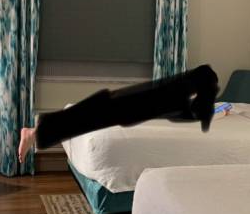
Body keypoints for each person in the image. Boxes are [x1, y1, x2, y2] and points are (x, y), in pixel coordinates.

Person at [19, 64, 219, 163]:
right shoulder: (190, 92)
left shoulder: (187, 96)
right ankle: (37, 131)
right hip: (146, 103)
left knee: (103, 108)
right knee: (105, 108)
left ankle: (38, 131)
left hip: (147, 104)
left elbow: (188, 112)